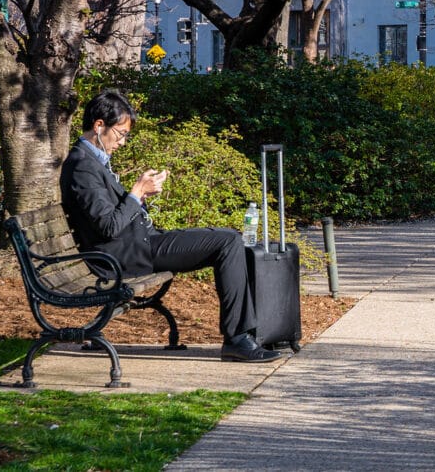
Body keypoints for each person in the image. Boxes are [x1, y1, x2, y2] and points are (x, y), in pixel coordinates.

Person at [60, 89, 281, 363]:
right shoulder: (82, 165)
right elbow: (108, 226)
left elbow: (112, 217)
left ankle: (242, 336)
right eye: (120, 133)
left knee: (228, 238)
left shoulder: (92, 161)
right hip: (127, 256)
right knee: (227, 242)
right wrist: (136, 192)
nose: (123, 142)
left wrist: (141, 197)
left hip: (141, 243)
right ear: (99, 126)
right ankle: (238, 338)